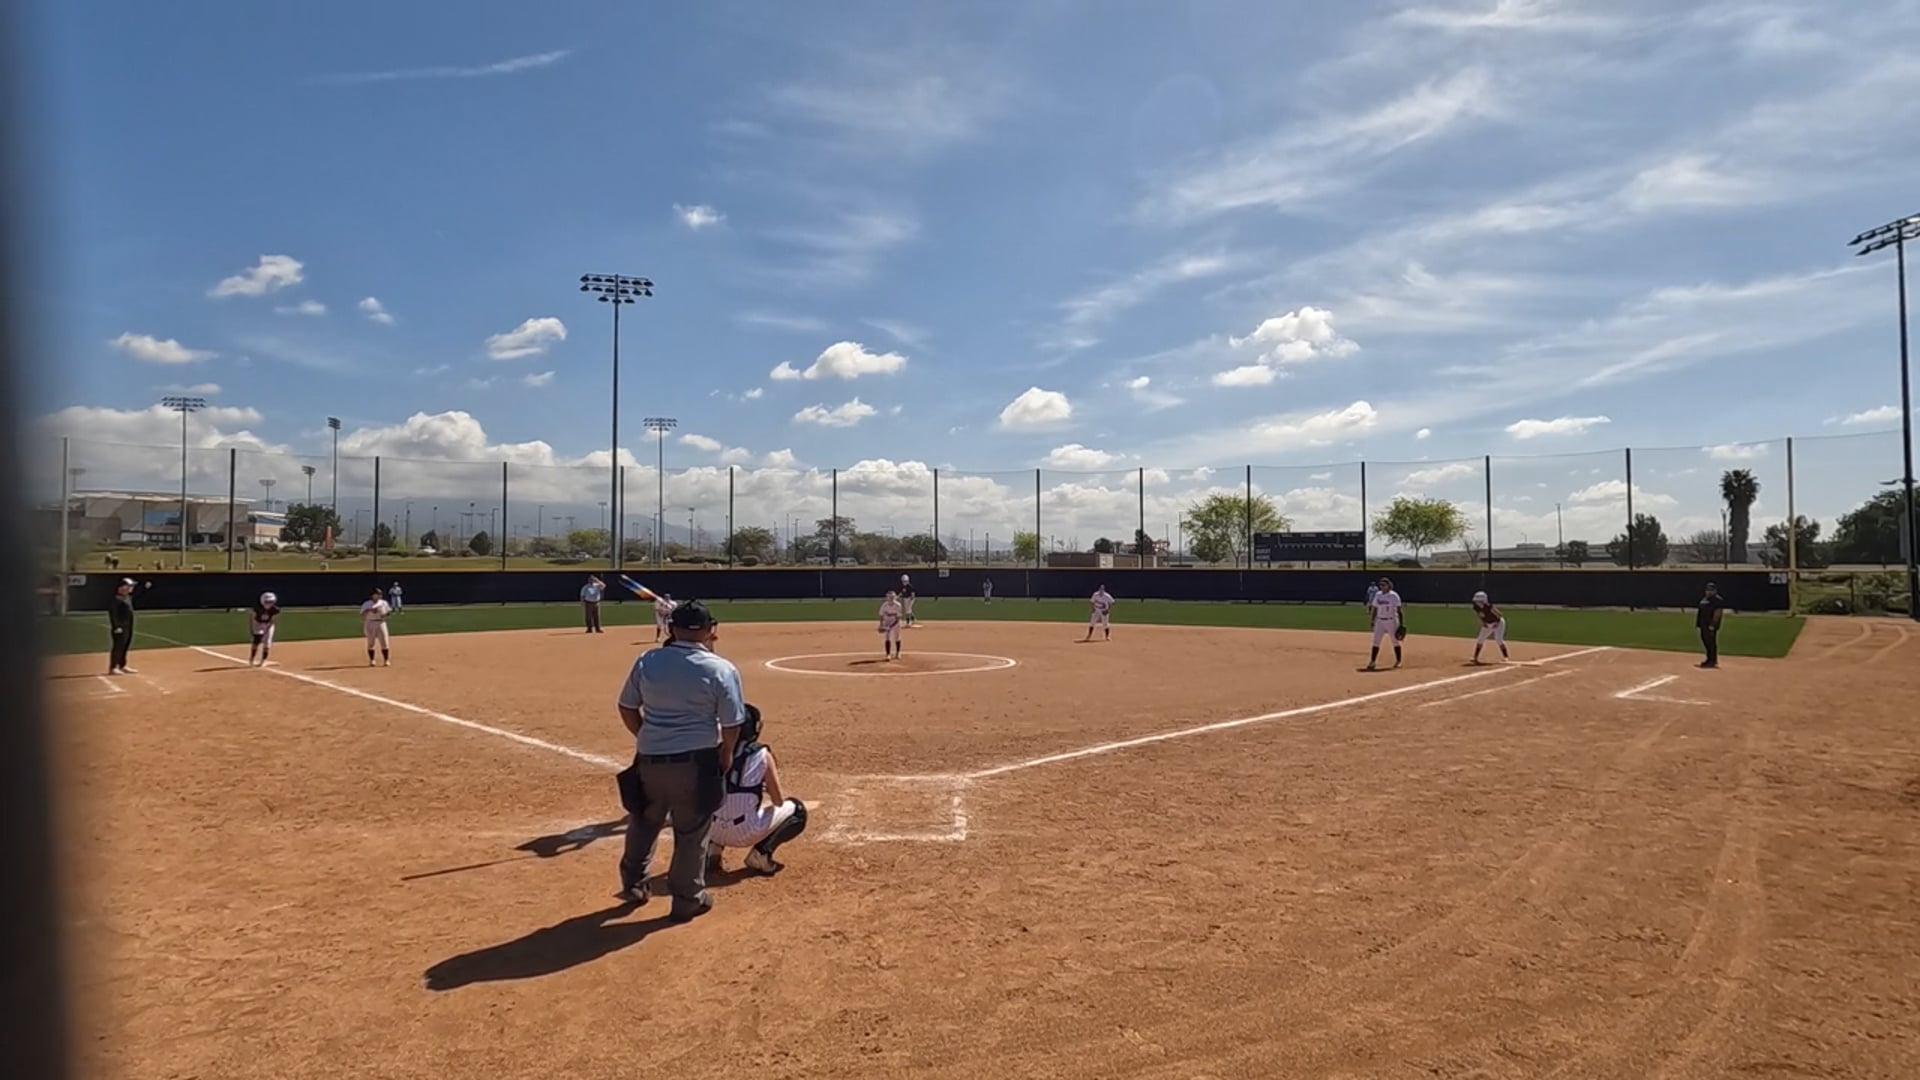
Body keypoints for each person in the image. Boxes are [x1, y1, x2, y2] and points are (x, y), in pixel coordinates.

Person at [614, 600, 745, 921]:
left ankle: (633, 884)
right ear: (710, 630)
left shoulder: (647, 660)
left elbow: (627, 706)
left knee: (644, 820)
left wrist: (646, 736)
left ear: (671, 628)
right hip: (697, 760)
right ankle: (687, 899)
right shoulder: (721, 668)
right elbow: (732, 723)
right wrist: (727, 751)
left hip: (650, 757)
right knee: (692, 830)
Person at [708, 704, 807, 875]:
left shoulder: (713, 752)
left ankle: (712, 851)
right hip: (745, 832)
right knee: (797, 810)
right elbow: (778, 801)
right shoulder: (762, 754)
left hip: (711, 830)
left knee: (713, 804)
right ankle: (761, 854)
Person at [106, 577, 146, 675]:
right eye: (129, 586)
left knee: (125, 646)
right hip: (120, 627)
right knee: (118, 647)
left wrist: (145, 587)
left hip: (128, 626)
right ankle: (113, 667)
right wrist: (116, 626)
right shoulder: (116, 599)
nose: (131, 588)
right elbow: (113, 614)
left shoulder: (127, 597)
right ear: (122, 587)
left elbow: (138, 594)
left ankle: (122, 665)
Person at [1365, 576, 1405, 671]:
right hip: (1379, 621)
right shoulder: (1378, 595)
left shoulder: (1394, 596)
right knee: (1376, 641)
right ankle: (1372, 662)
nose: (1382, 586)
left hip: (1392, 620)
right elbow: (1375, 608)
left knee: (1395, 641)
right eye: (1381, 585)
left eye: (1384, 585)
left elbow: (1399, 611)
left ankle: (1398, 661)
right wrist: (1372, 620)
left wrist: (1401, 624)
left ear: (1388, 585)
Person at [1469, 590, 1508, 665]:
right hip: (1487, 624)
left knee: (1498, 639)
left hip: (1498, 623)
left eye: (1479, 601)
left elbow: (1499, 615)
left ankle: (1506, 657)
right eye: (1476, 601)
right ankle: (1475, 657)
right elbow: (1478, 616)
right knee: (1480, 639)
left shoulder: (1489, 607)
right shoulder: (1475, 607)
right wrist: (1483, 623)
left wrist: (1495, 624)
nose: (1477, 602)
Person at [1696, 581, 1726, 669]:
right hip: (1703, 624)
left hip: (1710, 625)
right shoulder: (1705, 599)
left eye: (1711, 590)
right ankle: (1709, 659)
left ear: (1715, 591)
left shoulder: (1717, 600)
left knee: (1710, 642)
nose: (1709, 591)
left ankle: (1712, 660)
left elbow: (1718, 613)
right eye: (1707, 590)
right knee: (1705, 641)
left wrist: (1713, 624)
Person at [248, 591, 281, 667]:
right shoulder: (257, 609)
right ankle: (252, 659)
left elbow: (273, 620)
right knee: (257, 639)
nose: (269, 604)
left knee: (267, 642)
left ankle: (263, 661)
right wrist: (253, 629)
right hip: (258, 623)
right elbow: (253, 619)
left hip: (268, 624)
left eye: (271, 602)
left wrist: (268, 629)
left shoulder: (275, 610)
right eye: (267, 602)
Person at [360, 587, 392, 667]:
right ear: (372, 595)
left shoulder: (383, 603)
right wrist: (370, 610)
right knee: (371, 642)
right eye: (377, 594)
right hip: (370, 623)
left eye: (380, 594)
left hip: (381, 622)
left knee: (384, 642)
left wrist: (383, 613)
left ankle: (386, 660)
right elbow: (362, 614)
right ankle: (372, 660)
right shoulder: (367, 603)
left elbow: (389, 611)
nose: (379, 596)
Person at [878, 590, 904, 661]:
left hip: (895, 622)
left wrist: (891, 626)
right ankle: (888, 654)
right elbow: (881, 615)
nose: (891, 599)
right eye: (889, 597)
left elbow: (898, 618)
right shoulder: (884, 605)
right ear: (887, 597)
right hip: (887, 622)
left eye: (892, 597)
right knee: (887, 637)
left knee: (897, 637)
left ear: (895, 597)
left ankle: (898, 652)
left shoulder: (898, 605)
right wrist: (881, 624)